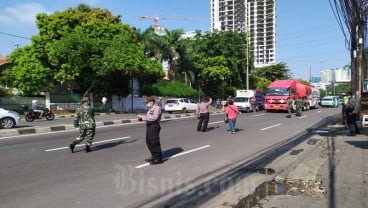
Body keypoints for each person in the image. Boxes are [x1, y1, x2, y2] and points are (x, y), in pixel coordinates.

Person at [137, 97, 163, 165]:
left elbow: (155, 117)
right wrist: (141, 118)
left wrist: (143, 118)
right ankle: (153, 155)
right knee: (148, 141)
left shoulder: (156, 108)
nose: (147, 104)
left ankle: (158, 158)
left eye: (147, 103)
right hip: (149, 126)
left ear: (151, 102)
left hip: (154, 126)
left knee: (154, 141)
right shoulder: (151, 108)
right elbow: (149, 117)